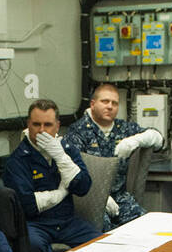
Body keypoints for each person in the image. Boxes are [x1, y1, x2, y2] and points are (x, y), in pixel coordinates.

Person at [2, 99, 99, 252]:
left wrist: (60, 157)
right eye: (36, 124)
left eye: (47, 125)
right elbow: (28, 205)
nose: (41, 131)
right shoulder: (17, 160)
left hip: (67, 221)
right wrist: (61, 193)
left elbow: (83, 187)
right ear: (28, 125)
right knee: (33, 247)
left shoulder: (66, 150)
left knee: (101, 244)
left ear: (57, 126)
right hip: (36, 224)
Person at [60, 83, 164, 231]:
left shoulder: (123, 129)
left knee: (144, 226)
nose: (110, 106)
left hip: (120, 197)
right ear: (93, 104)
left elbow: (159, 139)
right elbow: (73, 173)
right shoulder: (78, 132)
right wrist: (102, 197)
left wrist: (135, 140)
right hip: (88, 199)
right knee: (105, 230)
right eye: (105, 101)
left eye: (114, 103)